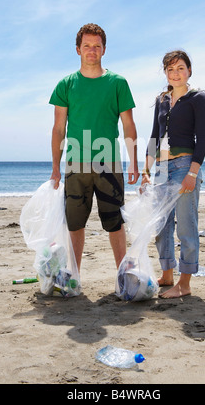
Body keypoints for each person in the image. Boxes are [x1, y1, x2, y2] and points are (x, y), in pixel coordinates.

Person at [49, 23, 139, 273]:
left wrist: (133, 161)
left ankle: (122, 275)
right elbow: (58, 129)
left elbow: (129, 125)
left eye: (96, 46)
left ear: (104, 50)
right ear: (78, 49)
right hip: (75, 163)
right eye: (86, 46)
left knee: (114, 222)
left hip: (109, 163)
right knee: (75, 223)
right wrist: (55, 168)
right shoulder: (66, 85)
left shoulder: (118, 83)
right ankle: (74, 276)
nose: (92, 50)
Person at [142, 50, 205, 298]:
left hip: (184, 165)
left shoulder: (198, 98)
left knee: (186, 226)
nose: (176, 73)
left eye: (180, 68)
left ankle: (184, 284)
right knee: (161, 225)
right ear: (165, 73)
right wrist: (146, 170)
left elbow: (202, 139)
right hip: (160, 168)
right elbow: (154, 136)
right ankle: (168, 273)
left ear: (189, 71)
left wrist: (192, 173)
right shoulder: (161, 99)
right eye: (170, 69)